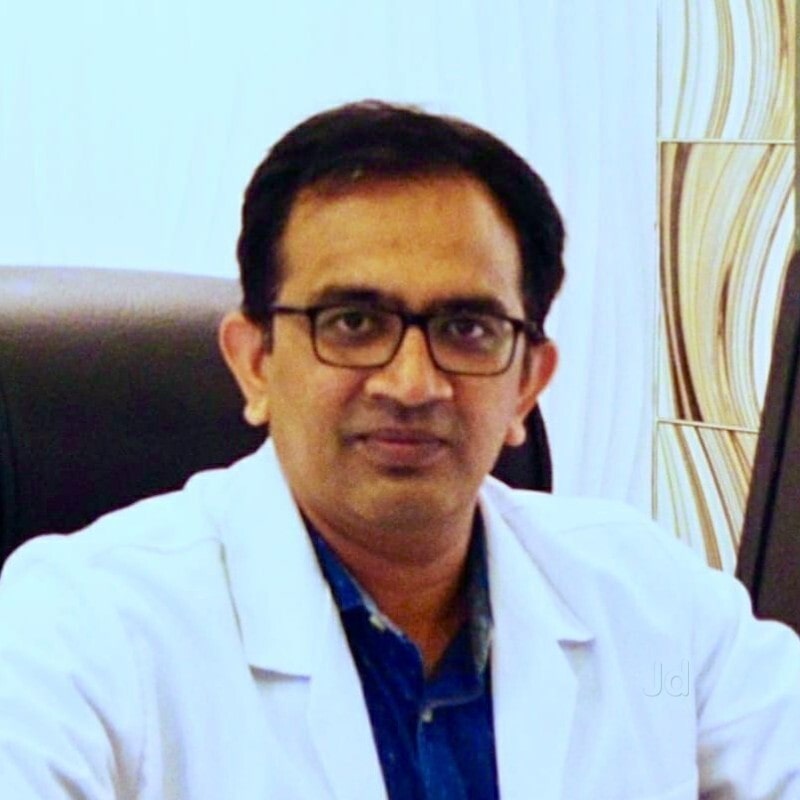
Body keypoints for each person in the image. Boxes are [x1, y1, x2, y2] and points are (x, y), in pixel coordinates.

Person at [0, 101, 798, 800]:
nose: (413, 384)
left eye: (467, 328)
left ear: (527, 384)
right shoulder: (77, 634)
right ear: (256, 364)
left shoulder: (655, 606)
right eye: (353, 323)